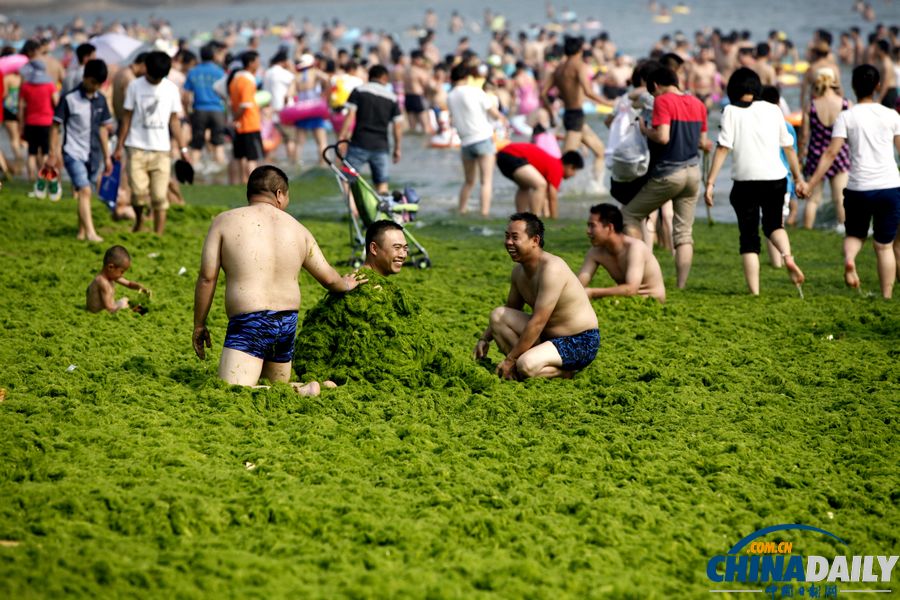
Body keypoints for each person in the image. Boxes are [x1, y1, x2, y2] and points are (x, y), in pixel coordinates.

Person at [192, 165, 366, 389]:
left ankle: (304, 391)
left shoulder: (225, 221)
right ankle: (314, 387)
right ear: (279, 194)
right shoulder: (299, 229)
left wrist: (199, 324)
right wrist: (347, 283)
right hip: (286, 323)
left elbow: (207, 278)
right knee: (276, 389)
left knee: (233, 390)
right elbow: (330, 279)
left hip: (250, 322)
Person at [704, 68, 806, 296]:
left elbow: (723, 148)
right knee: (774, 226)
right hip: (776, 179)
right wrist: (798, 178)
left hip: (745, 182)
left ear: (733, 90)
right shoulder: (774, 109)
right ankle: (787, 257)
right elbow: (788, 147)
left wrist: (710, 183)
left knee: (749, 237)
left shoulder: (730, 111)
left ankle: (755, 292)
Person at [802, 65, 900, 299]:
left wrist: (811, 183)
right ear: (878, 87)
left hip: (859, 188)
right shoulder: (892, 115)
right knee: (884, 246)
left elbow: (830, 153)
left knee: (855, 236)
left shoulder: (847, 116)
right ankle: (886, 296)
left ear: (854, 86)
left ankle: (849, 259)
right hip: (889, 186)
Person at [474, 212, 600, 380]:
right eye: (507, 237)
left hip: (580, 341)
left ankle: (563, 373)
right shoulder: (519, 272)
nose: (508, 242)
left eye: (515, 237)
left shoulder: (552, 269)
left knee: (525, 365)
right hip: (547, 338)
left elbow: (538, 321)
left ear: (535, 240)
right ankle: (526, 366)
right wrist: (484, 339)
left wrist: (510, 359)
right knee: (498, 316)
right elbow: (510, 310)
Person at [621, 66, 711, 289]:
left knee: (629, 214)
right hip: (693, 173)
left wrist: (644, 129)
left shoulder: (664, 101)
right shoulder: (698, 104)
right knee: (684, 233)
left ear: (657, 85)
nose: (654, 97)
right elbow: (703, 142)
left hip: (669, 173)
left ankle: (640, 270)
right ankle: (681, 285)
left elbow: (662, 137)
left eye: (653, 92)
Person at [113, 51, 190, 235]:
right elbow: (127, 118)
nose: (154, 80)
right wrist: (118, 146)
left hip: (161, 150)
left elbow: (174, 121)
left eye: (158, 78)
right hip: (136, 147)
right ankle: (139, 221)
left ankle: (158, 234)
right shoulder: (134, 86)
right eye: (152, 76)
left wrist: (183, 148)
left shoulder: (170, 89)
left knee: (159, 196)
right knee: (138, 195)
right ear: (145, 68)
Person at [48, 59, 113, 243]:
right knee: (84, 190)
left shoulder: (101, 99)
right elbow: (55, 126)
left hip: (94, 155)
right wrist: (53, 153)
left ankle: (81, 232)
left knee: (85, 192)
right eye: (93, 82)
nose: (95, 87)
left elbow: (102, 128)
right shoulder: (69, 98)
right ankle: (91, 233)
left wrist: (107, 156)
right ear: (85, 77)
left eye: (99, 84)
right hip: (72, 151)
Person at [545, 35, 609, 190]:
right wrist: (609, 103)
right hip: (576, 116)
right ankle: (547, 190)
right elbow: (588, 91)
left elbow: (543, 93)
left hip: (571, 115)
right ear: (580, 50)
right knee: (564, 165)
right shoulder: (579, 66)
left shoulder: (559, 69)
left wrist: (551, 112)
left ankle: (597, 187)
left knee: (600, 151)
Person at [577, 203, 666, 302]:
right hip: (625, 300)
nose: (588, 231)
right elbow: (578, 285)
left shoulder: (635, 248)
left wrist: (592, 292)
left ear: (610, 227)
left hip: (651, 301)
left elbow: (631, 289)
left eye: (592, 226)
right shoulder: (595, 252)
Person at [447, 63, 502, 216]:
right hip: (483, 138)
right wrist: (502, 119)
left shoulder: (450, 96)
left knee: (469, 181)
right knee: (486, 182)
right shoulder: (475, 91)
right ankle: (484, 213)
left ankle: (461, 210)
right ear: (467, 77)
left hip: (465, 143)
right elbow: (493, 113)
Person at [799, 67, 851, 230]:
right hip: (839, 155)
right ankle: (844, 230)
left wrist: (801, 156)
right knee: (840, 199)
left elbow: (804, 135)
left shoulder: (811, 106)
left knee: (813, 200)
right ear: (834, 81)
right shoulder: (845, 103)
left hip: (816, 155)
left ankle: (807, 230)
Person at [339, 64, 403, 195]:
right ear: (384, 78)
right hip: (381, 147)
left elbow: (350, 115)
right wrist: (397, 148)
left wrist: (341, 137)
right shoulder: (392, 98)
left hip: (359, 143)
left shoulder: (359, 91)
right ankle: (381, 210)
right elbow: (397, 126)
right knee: (382, 184)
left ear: (370, 76)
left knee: (346, 179)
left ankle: (353, 210)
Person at [496, 142, 584, 218]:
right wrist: (555, 218)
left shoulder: (552, 162)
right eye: (574, 170)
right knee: (541, 185)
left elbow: (545, 196)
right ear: (570, 166)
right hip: (512, 155)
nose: (574, 174)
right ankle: (534, 220)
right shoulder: (557, 167)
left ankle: (520, 218)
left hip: (502, 155)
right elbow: (552, 197)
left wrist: (546, 213)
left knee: (524, 186)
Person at [184, 42, 227, 169]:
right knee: (218, 144)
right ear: (214, 56)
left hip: (199, 110)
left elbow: (186, 95)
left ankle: (192, 173)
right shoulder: (220, 72)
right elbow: (225, 94)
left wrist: (187, 112)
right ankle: (221, 174)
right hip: (217, 110)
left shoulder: (193, 72)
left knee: (196, 145)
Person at [228, 51, 264, 184]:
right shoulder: (248, 80)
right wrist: (236, 118)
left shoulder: (235, 79)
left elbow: (231, 103)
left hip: (240, 125)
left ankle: (236, 183)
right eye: (257, 61)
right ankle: (254, 185)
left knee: (238, 157)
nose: (259, 64)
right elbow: (245, 105)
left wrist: (234, 119)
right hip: (249, 123)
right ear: (251, 63)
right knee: (252, 158)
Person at [86, 245, 151, 313]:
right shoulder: (103, 282)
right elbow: (109, 309)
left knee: (125, 300)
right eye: (121, 272)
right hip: (99, 312)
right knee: (124, 303)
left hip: (108, 308)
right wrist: (127, 310)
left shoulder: (111, 276)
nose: (122, 275)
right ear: (111, 267)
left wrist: (139, 287)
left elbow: (129, 284)